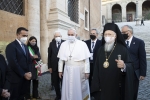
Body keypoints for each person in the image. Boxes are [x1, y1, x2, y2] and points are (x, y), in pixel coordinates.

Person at [91, 23, 134, 100]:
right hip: (102, 87)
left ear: (115, 36)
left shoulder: (123, 49)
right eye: (105, 34)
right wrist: (96, 85)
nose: (107, 36)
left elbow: (131, 65)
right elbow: (96, 68)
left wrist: (124, 66)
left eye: (110, 34)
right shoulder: (100, 50)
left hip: (117, 87)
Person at [58, 28, 91, 100]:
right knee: (68, 87)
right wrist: (60, 70)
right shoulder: (63, 44)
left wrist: (87, 71)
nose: (70, 36)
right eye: (69, 35)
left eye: (72, 34)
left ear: (76, 35)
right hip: (67, 69)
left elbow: (86, 60)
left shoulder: (82, 44)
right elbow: (61, 60)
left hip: (79, 70)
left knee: (78, 87)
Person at [5, 27, 32, 100]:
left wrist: (29, 72)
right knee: (15, 97)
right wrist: (23, 74)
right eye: (24, 36)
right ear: (17, 35)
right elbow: (13, 63)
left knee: (22, 96)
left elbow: (29, 60)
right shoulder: (11, 46)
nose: (25, 38)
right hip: (15, 78)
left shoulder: (25, 47)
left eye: (26, 36)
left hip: (25, 78)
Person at [121, 25, 147, 100]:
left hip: (134, 72)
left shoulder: (139, 42)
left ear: (130, 32)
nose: (122, 34)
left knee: (133, 91)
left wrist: (142, 73)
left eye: (124, 32)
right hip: (122, 71)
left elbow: (142, 58)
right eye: (121, 32)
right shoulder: (121, 42)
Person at [48, 31, 64, 100]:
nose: (57, 37)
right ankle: (58, 95)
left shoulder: (65, 43)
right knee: (56, 83)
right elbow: (49, 56)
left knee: (63, 82)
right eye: (56, 36)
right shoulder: (51, 44)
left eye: (59, 36)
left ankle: (64, 95)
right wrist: (50, 67)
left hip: (63, 67)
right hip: (54, 67)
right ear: (54, 37)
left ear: (61, 37)